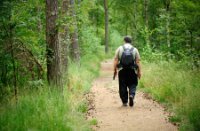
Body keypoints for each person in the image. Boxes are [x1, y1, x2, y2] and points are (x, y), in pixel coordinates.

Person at [113, 36, 141, 107]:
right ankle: (131, 95)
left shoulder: (120, 48)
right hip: (132, 70)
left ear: (124, 41)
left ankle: (125, 102)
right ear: (131, 41)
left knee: (122, 86)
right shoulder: (134, 49)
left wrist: (115, 70)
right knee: (133, 84)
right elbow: (137, 61)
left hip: (122, 70)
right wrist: (139, 72)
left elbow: (116, 60)